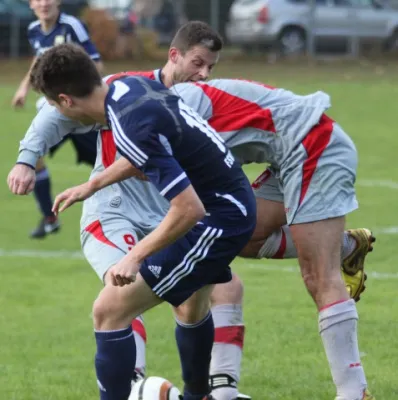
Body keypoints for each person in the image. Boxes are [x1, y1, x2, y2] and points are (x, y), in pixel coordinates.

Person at [9, 21, 252, 400]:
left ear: (67, 101)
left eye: (57, 106)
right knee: (192, 304)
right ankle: (197, 395)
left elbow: (187, 207)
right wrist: (92, 184)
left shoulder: (128, 124)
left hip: (217, 220)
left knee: (109, 310)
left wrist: (134, 257)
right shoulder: (128, 87)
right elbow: (145, 151)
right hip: (227, 207)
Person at [12, 0, 103, 239]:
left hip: (80, 113)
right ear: (31, 4)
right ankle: (49, 218)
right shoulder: (33, 30)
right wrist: (24, 88)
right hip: (55, 113)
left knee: (114, 163)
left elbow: (95, 62)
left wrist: (78, 95)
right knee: (35, 157)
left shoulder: (72, 26)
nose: (44, 3)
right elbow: (37, 61)